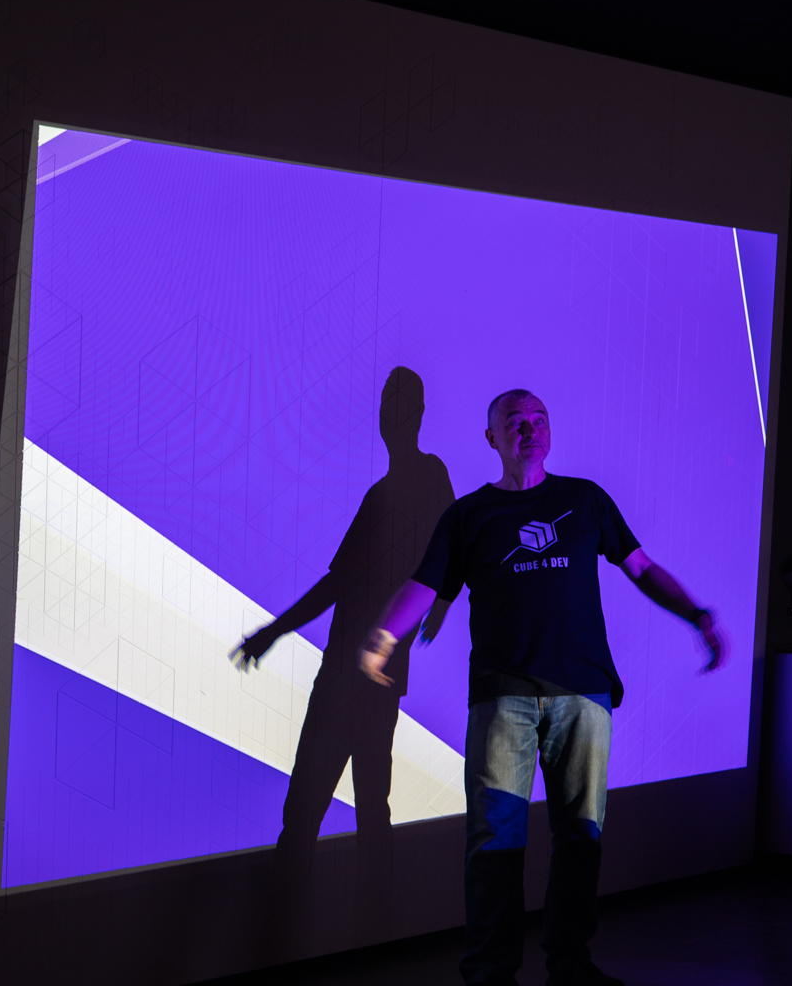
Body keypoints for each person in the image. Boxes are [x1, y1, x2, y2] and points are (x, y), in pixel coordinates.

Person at [359, 389, 724, 986]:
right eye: (515, 422)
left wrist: (697, 615)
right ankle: (490, 973)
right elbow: (424, 586)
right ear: (492, 438)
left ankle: (570, 967)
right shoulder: (468, 516)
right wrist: (382, 636)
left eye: (539, 420)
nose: (529, 430)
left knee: (580, 837)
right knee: (494, 840)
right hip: (503, 695)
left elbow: (642, 568)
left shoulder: (584, 500)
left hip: (583, 691)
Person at [232, 366, 456, 941]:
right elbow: (342, 581)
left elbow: (449, 550)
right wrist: (276, 631)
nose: (389, 415)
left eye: (397, 405)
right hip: (348, 675)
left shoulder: (425, 478)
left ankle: (331, 934)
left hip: (359, 680)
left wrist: (442, 601)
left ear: (414, 415)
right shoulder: (384, 494)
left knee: (337, 811)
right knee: (337, 811)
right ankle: (324, 933)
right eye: (387, 404)